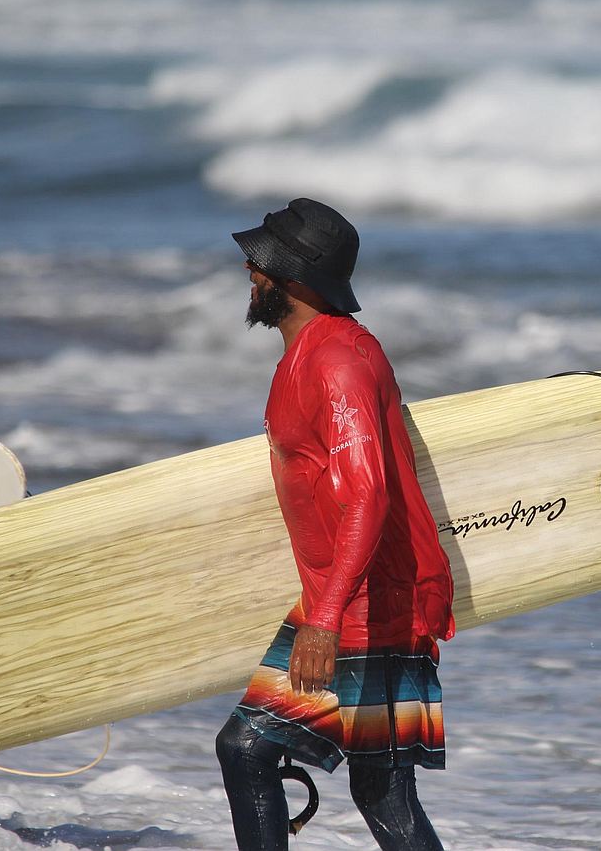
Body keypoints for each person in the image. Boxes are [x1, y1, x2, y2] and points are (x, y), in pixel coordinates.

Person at [215, 198, 454, 851]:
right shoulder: (306, 353)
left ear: (293, 277)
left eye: (260, 262)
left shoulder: (338, 360)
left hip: (371, 606)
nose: (249, 268)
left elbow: (369, 494)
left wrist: (324, 619)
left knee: (254, 749)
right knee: (372, 785)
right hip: (341, 598)